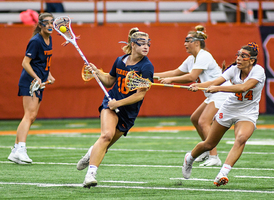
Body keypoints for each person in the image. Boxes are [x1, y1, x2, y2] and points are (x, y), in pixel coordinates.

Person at [76, 27, 154, 188]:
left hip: (128, 111)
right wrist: (97, 72)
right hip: (110, 103)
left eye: (148, 44)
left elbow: (140, 95)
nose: (146, 47)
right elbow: (110, 81)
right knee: (106, 136)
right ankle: (90, 175)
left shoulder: (146, 67)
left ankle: (91, 152)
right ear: (133, 45)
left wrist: (118, 103)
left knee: (106, 144)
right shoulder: (120, 60)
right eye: (142, 43)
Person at [182, 42, 265, 186]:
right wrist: (198, 85)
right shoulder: (233, 69)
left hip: (247, 112)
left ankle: (222, 174)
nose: (238, 58)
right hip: (228, 109)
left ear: (252, 60)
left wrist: (218, 89)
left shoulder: (258, 71)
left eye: (243, 56)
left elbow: (243, 87)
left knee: (241, 138)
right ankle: (189, 158)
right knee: (209, 143)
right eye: (238, 55)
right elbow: (216, 81)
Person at [154, 25, 230, 167]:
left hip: (221, 92)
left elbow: (192, 76)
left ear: (197, 42)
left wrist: (171, 81)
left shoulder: (204, 55)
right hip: (212, 93)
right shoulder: (191, 59)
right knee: (195, 119)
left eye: (187, 40)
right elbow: (175, 72)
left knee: (203, 122)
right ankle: (206, 150)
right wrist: (151, 75)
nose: (184, 44)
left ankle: (214, 156)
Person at [7, 13, 56, 164]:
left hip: (39, 80)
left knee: (31, 116)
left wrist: (48, 75)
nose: (49, 25)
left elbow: (42, 62)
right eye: (46, 23)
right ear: (40, 25)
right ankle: (21, 149)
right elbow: (25, 63)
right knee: (29, 115)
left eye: (51, 22)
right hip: (30, 81)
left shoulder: (49, 39)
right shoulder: (36, 41)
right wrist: (37, 77)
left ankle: (15, 150)